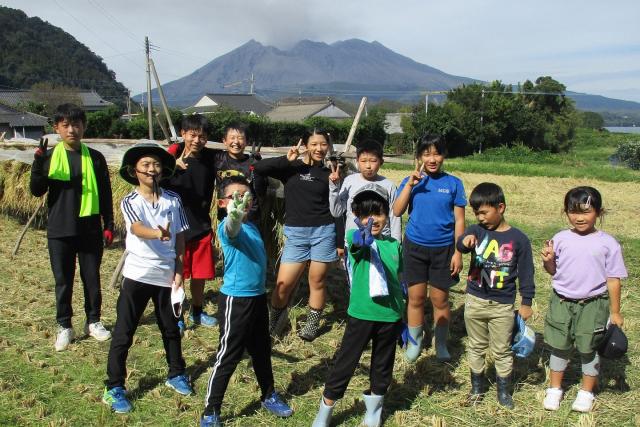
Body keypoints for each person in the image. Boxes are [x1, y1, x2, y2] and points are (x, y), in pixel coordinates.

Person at [102, 141, 193, 413]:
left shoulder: (173, 200)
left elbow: (179, 236)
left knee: (171, 328)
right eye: (145, 165)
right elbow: (138, 228)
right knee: (124, 331)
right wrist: (157, 233)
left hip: (166, 276)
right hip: (138, 274)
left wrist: (179, 269)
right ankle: (114, 387)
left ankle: (176, 374)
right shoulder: (130, 201)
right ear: (134, 171)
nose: (151, 169)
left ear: (162, 170)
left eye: (155, 164)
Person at [200, 176, 292, 427]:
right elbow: (231, 229)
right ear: (222, 203)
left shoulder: (252, 226)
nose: (242, 201)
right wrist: (234, 216)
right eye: (235, 197)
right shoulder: (228, 226)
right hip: (236, 301)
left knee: (262, 350)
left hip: (257, 298)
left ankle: (268, 394)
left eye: (246, 197)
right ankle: (211, 410)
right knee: (228, 354)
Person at [312, 184, 404, 427]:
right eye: (365, 215)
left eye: (378, 213)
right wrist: (361, 238)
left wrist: (402, 317)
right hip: (362, 315)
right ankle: (325, 411)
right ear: (356, 216)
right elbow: (357, 244)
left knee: (383, 365)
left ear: (387, 215)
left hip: (390, 317)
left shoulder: (394, 245)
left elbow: (397, 281)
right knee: (346, 362)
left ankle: (373, 411)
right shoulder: (357, 241)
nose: (372, 219)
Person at [29, 103, 114, 352]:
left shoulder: (95, 158)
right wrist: (37, 165)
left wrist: (108, 224)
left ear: (84, 126)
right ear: (56, 128)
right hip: (59, 230)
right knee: (63, 280)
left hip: (89, 230)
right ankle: (64, 325)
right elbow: (37, 191)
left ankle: (94, 321)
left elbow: (106, 194)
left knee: (92, 279)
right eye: (65, 125)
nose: (71, 129)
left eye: (76, 124)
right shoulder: (49, 156)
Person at [541, 186, 627, 413]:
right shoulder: (560, 238)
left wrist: (615, 312)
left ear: (599, 212)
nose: (579, 218)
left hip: (593, 304)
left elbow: (613, 280)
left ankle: (586, 391)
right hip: (561, 302)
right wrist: (548, 261)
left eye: (586, 212)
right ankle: (555, 388)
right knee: (559, 346)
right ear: (566, 212)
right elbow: (553, 270)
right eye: (573, 211)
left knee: (589, 348)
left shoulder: (608, 243)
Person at [254, 129, 337, 341]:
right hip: (296, 235)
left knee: (317, 280)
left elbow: (338, 208)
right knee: (283, 284)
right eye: (314, 144)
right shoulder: (291, 168)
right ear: (306, 145)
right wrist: (286, 159)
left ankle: (311, 324)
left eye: (323, 144)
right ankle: (274, 321)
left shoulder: (330, 173)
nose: (319, 149)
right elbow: (260, 168)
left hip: (323, 231)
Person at [456, 183, 535, 409]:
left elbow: (527, 273)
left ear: (501, 207)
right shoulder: (477, 231)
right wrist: (464, 243)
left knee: (502, 349)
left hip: (503, 305)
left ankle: (503, 391)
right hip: (476, 301)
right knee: (476, 346)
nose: (480, 217)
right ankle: (477, 388)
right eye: (476, 213)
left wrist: (526, 302)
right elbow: (461, 243)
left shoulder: (519, 239)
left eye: (484, 212)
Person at [392, 134, 466, 362]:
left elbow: (460, 221)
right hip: (415, 248)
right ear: (418, 157)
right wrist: (410, 185)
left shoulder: (454, 183)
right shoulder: (411, 180)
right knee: (414, 299)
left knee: (440, 300)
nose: (432, 159)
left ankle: (440, 343)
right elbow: (396, 211)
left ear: (444, 155)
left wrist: (458, 252)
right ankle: (415, 342)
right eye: (426, 154)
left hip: (443, 250)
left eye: (437, 153)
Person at [165, 114, 218, 329]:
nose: (197, 140)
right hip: (175, 227)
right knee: (176, 275)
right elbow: (151, 177)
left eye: (202, 136)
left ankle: (197, 311)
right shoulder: (170, 157)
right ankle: (176, 315)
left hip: (201, 225)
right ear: (183, 133)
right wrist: (170, 166)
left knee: (199, 274)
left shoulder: (211, 159)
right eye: (193, 135)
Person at [329, 139, 401, 242]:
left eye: (373, 161)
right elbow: (336, 212)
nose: (368, 166)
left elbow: (394, 218)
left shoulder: (389, 186)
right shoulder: (349, 181)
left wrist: (396, 244)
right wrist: (334, 187)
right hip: (354, 242)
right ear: (357, 161)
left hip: (381, 242)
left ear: (381, 162)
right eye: (363, 161)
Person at [213, 121, 267, 224]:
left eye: (241, 138)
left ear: (247, 142)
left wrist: (259, 165)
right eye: (232, 138)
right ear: (224, 141)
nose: (236, 142)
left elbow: (261, 191)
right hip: (225, 217)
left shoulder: (254, 164)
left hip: (250, 218)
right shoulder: (217, 159)